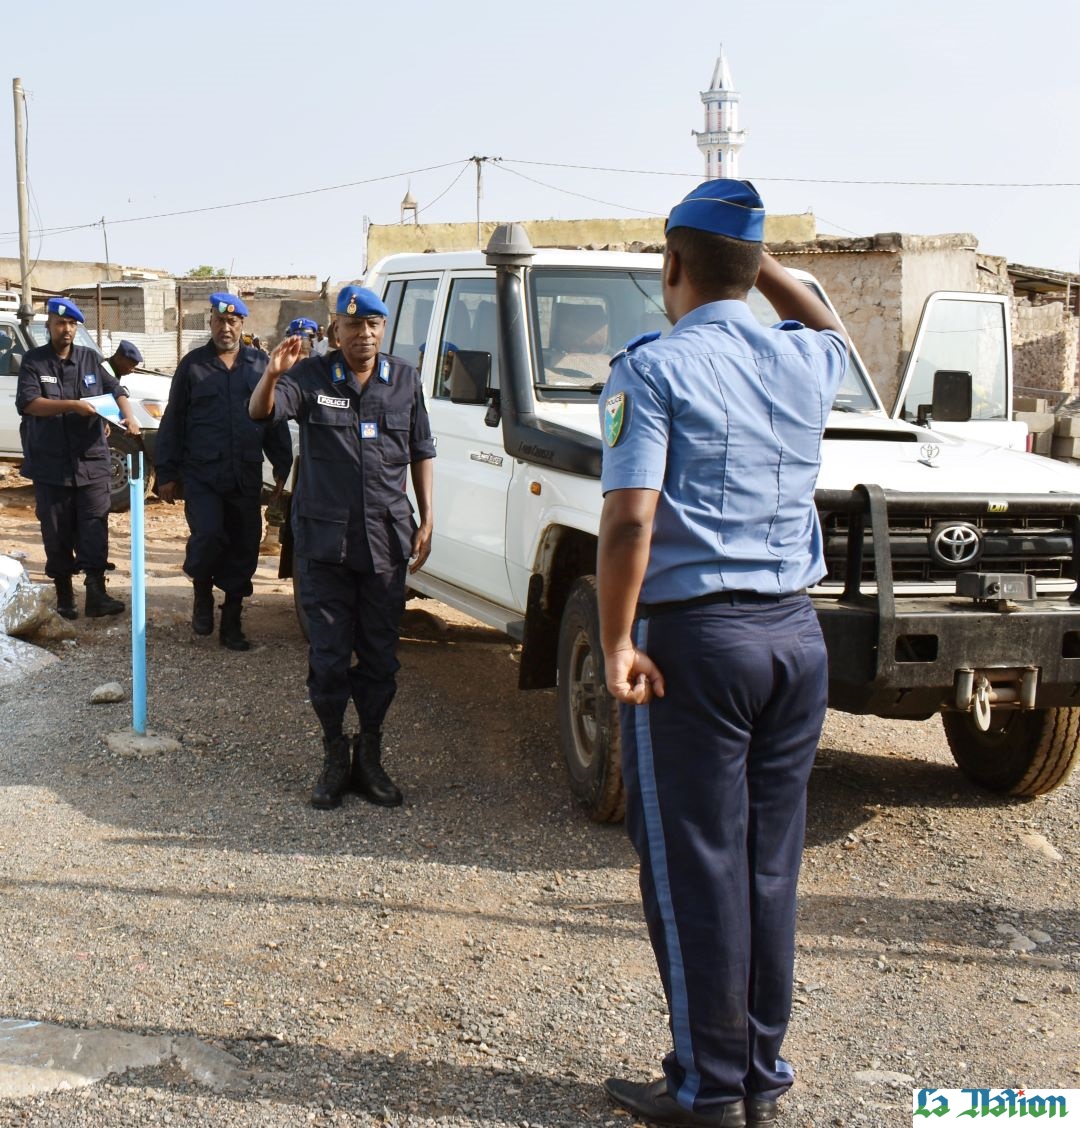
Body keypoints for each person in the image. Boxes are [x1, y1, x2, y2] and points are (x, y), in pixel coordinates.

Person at [597, 180, 848, 1128]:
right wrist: (759, 264)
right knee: (766, 868)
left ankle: (706, 1089)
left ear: (672, 265)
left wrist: (617, 640)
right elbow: (826, 326)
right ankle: (760, 1077)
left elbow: (629, 519)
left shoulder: (654, 369)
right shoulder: (802, 361)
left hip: (698, 645)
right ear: (750, 271)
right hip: (794, 638)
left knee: (696, 863)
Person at [248, 285, 434, 811]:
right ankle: (334, 754)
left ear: (383, 328)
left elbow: (422, 448)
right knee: (329, 659)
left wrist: (428, 516)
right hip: (326, 545)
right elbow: (261, 413)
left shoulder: (404, 379)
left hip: (386, 542)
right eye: (353, 326)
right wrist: (271, 374)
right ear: (336, 331)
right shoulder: (308, 377)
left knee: (379, 658)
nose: (365, 334)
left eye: (373, 325)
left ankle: (370, 755)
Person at [154, 292, 293, 650]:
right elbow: (174, 420)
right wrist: (166, 472)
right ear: (211, 322)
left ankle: (232, 620)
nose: (225, 327)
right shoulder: (193, 365)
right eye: (219, 320)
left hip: (244, 475)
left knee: (244, 545)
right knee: (209, 535)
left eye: (232, 321)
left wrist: (282, 465)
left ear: (242, 325)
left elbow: (273, 418)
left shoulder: (260, 365)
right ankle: (202, 591)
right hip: (201, 474)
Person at [16, 296, 141, 619]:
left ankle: (96, 594)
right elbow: (30, 403)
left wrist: (128, 417)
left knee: (94, 527)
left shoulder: (90, 359)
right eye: (61, 323)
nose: (67, 329)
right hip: (50, 465)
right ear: (50, 326)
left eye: (72, 324)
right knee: (56, 532)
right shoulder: (34, 362)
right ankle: (64, 597)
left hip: (91, 463)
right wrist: (73, 405)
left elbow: (117, 390)